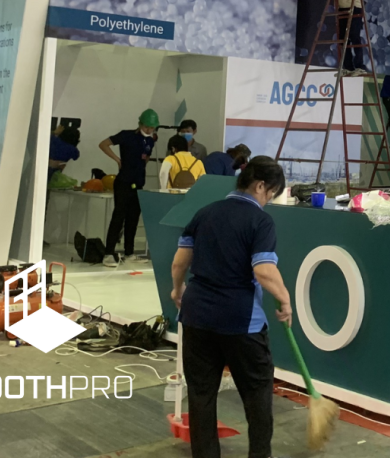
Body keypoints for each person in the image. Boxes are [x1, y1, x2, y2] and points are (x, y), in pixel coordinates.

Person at [171, 156, 292, 458]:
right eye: (271, 193)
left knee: (201, 394)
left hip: (197, 316)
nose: (268, 200)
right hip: (240, 321)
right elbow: (264, 271)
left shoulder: (205, 213)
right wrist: (285, 300)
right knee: (257, 395)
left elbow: (179, 262)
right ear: (260, 186)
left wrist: (177, 289)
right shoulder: (260, 221)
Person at [99, 109, 159, 267]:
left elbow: (145, 158)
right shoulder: (126, 135)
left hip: (138, 183)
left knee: (133, 219)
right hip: (124, 182)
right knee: (118, 217)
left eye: (152, 128)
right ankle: (108, 253)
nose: (149, 130)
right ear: (140, 124)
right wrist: (117, 159)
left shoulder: (150, 141)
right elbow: (103, 144)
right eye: (146, 127)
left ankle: (129, 253)